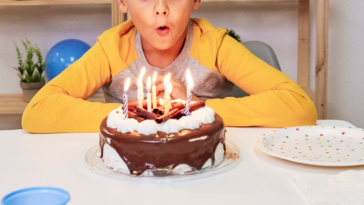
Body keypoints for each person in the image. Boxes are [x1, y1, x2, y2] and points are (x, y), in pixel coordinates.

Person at [22, 0, 317, 133]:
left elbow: (299, 106)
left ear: (196, 0)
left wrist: (196, 110)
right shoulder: (113, 48)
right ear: (122, 1)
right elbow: (38, 113)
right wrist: (136, 115)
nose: (161, 8)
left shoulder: (214, 45)